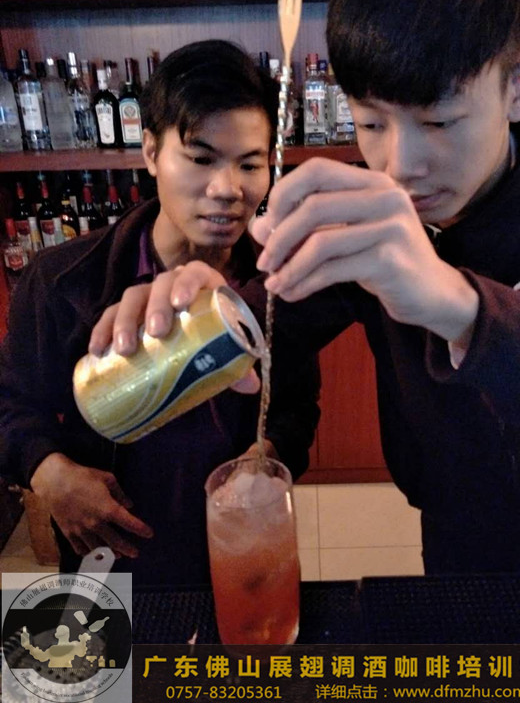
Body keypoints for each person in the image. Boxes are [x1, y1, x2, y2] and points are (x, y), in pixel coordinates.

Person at [92, 0, 520, 574]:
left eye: (439, 122)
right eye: (371, 123)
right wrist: (217, 310)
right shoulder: (364, 210)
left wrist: (462, 307)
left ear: (519, 89)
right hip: (452, 540)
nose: (399, 166)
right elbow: (278, 317)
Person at [0, 40, 319, 585]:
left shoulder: (276, 284)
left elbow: (297, 408)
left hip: (239, 543)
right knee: (96, 646)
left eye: (250, 164)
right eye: (201, 159)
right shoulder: (61, 280)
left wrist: (266, 456)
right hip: (110, 552)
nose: (228, 189)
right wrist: (50, 474)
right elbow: (12, 404)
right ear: (150, 152)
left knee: (247, 643)